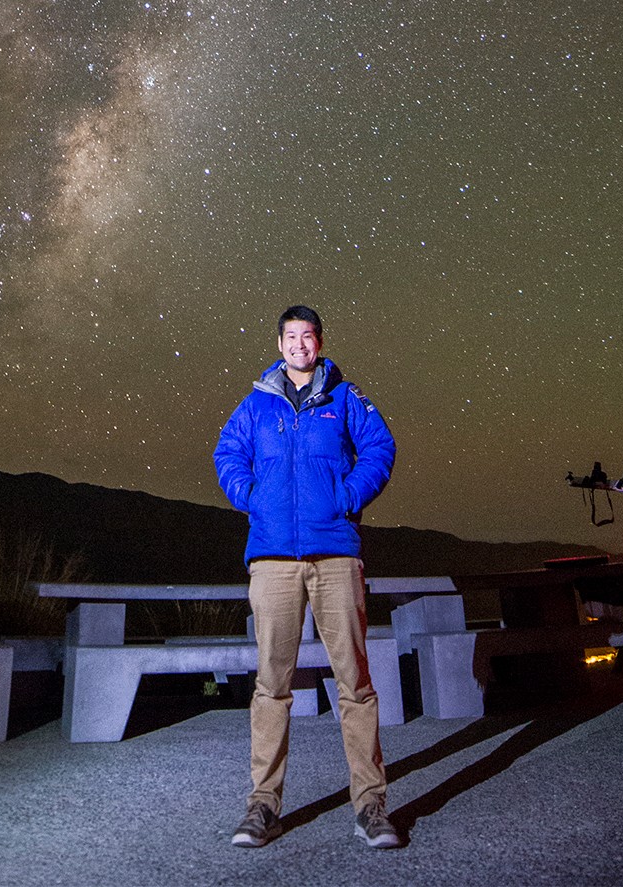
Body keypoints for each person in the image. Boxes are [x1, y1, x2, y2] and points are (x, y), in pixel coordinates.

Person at [213, 304, 401, 849]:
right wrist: (253, 499)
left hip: (334, 554)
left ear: (319, 342)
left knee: (355, 685)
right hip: (272, 558)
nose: (299, 345)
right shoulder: (256, 404)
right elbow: (227, 453)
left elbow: (380, 448)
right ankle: (262, 807)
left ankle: (371, 805)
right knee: (271, 685)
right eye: (290, 336)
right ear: (279, 344)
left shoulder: (346, 398)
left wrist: (346, 496)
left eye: (308, 336)